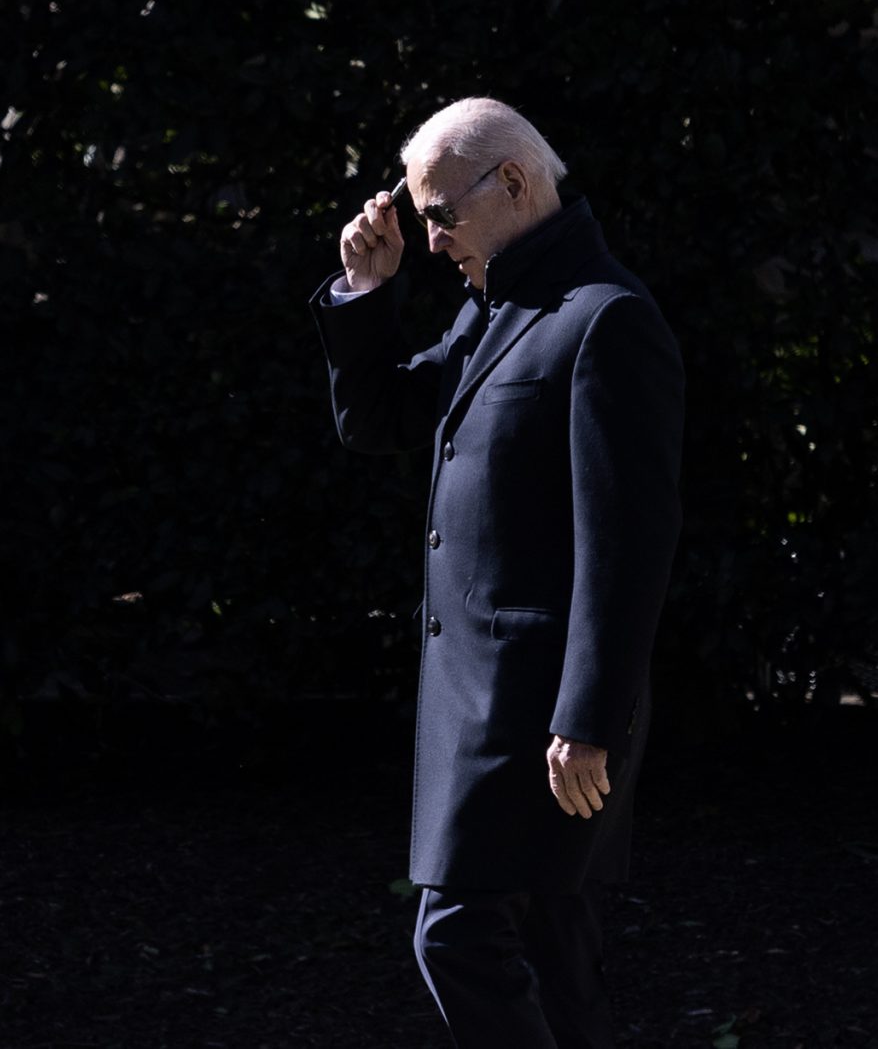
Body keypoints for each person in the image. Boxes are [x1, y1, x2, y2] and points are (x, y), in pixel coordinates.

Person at [311, 97, 683, 1049]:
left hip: (540, 717)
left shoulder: (605, 320)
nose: (432, 241)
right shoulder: (495, 310)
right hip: (482, 706)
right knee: (558, 959)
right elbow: (378, 424)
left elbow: (627, 542)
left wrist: (589, 718)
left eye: (440, 215)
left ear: (514, 183)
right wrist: (364, 290)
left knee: (459, 933)